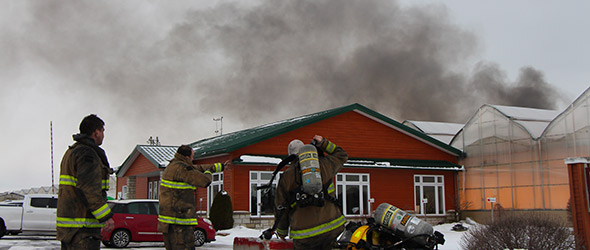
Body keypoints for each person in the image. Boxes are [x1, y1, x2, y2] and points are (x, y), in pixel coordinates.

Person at [274, 135, 348, 250]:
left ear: (290, 157)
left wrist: (282, 232)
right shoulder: (325, 165)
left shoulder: (287, 177)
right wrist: (323, 143)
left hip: (304, 236)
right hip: (332, 229)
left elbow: (281, 208)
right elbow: (342, 155)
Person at [56, 114, 115, 250]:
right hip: (83, 229)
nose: (103, 135)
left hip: (70, 229)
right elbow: (88, 189)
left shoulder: (71, 152)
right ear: (96, 132)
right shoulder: (87, 154)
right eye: (102, 131)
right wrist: (105, 216)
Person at [158, 145, 228, 250]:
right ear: (187, 157)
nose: (192, 159)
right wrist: (208, 173)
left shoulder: (173, 166)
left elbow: (197, 169)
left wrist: (218, 167)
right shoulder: (183, 169)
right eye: (192, 157)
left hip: (170, 221)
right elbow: (204, 181)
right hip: (180, 221)